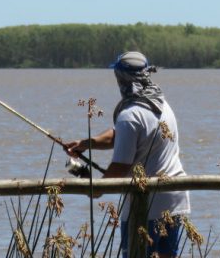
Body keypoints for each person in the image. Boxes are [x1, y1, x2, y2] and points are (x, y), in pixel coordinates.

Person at [66, 51, 190, 258]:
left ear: (121, 78)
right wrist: (85, 144)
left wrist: (97, 189)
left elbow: (121, 165)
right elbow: (121, 136)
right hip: (176, 201)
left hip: (146, 207)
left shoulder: (130, 115)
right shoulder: (160, 104)